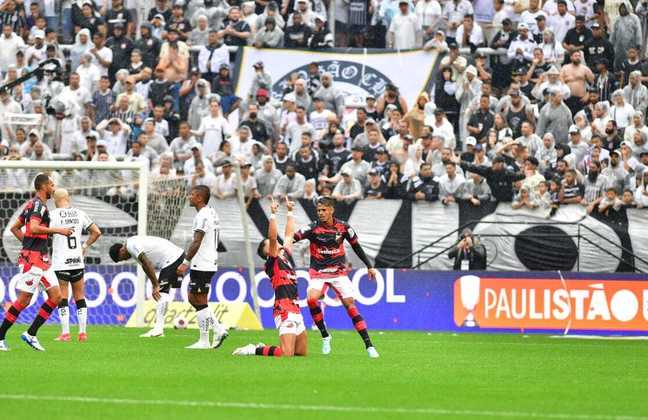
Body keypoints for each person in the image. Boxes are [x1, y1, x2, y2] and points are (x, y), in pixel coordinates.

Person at [293, 196, 379, 358]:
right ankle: (325, 335)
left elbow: (356, 247)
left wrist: (369, 266)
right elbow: (295, 236)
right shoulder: (312, 228)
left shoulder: (344, 227)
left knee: (350, 306)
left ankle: (369, 345)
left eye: (323, 210)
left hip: (339, 273)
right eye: (318, 210)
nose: (320, 213)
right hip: (318, 273)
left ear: (331, 210)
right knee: (311, 300)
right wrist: (284, 242)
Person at [1, 174, 74, 351]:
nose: (54, 187)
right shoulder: (38, 206)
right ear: (43, 187)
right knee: (23, 301)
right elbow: (32, 228)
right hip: (33, 261)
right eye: (51, 184)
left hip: (41, 259)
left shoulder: (32, 205)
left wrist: (28, 244)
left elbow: (15, 228)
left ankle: (31, 334)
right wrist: (59, 230)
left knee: (56, 297)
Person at [233, 199, 307, 357]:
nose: (277, 244)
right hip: (284, 308)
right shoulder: (272, 261)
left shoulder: (285, 254)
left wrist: (289, 211)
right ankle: (254, 349)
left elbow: (288, 234)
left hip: (295, 307)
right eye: (271, 245)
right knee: (287, 353)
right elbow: (273, 237)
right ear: (268, 252)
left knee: (301, 352)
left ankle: (263, 346)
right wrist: (272, 214)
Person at [176, 185, 229, 349]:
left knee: (199, 299)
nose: (189, 197)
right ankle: (218, 330)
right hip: (206, 261)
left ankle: (205, 340)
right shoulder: (211, 212)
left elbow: (197, 241)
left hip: (203, 263)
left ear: (199, 197)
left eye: (192, 195)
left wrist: (185, 262)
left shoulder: (203, 216)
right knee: (194, 298)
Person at [109, 234, 185, 339]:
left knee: (161, 293)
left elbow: (147, 263)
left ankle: (158, 329)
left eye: (122, 258)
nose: (125, 260)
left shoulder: (131, 246)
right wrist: (155, 284)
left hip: (172, 258)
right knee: (168, 294)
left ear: (121, 251)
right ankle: (159, 328)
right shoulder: (133, 246)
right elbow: (145, 267)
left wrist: (156, 285)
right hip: (176, 255)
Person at [50, 189, 102, 343]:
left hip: (61, 262)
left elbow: (42, 232)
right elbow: (96, 232)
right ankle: (82, 333)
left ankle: (65, 334)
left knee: (63, 297)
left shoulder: (52, 215)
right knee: (80, 296)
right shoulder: (79, 213)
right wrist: (84, 246)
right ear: (68, 198)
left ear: (55, 200)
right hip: (77, 260)